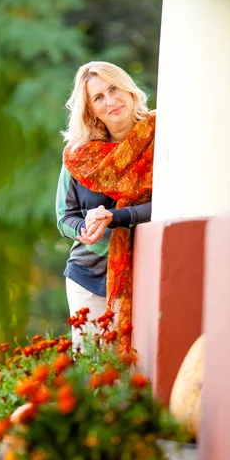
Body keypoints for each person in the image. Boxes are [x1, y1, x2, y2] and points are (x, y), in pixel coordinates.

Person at [56, 61, 155, 351]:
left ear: (128, 87)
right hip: (86, 278)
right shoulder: (79, 155)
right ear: (91, 110)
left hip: (140, 275)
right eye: (98, 97)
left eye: (113, 88)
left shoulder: (159, 137)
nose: (110, 101)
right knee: (92, 372)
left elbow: (165, 203)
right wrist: (84, 229)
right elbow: (65, 217)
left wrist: (115, 216)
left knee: (131, 370)